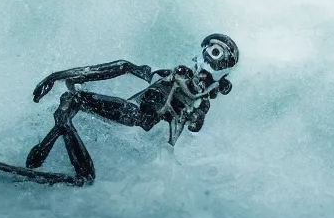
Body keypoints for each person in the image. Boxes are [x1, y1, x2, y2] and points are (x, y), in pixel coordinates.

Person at [24, 34, 239, 184]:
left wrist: (196, 105)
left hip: (139, 122)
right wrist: (59, 75)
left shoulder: (202, 100)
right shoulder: (174, 75)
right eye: (213, 51)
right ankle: (45, 153)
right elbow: (125, 66)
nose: (214, 59)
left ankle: (78, 171)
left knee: (73, 99)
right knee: (72, 99)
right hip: (138, 126)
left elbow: (195, 124)